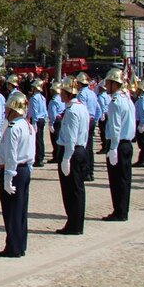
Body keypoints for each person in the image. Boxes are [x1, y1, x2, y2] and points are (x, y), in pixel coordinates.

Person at [0, 92, 34, 257]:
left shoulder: (13, 128)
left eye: (7, 109)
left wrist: (8, 178)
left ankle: (13, 246)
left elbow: (11, 156)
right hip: (24, 169)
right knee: (21, 211)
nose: (5, 112)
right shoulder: (27, 125)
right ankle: (20, 244)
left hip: (13, 171)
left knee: (12, 211)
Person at [55, 77, 89, 235]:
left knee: (71, 190)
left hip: (72, 151)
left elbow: (71, 136)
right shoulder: (81, 107)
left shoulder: (72, 110)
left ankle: (74, 223)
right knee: (77, 189)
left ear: (68, 93)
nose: (60, 94)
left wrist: (67, 158)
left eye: (62, 91)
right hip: (81, 149)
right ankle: (76, 222)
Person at [102, 69, 135, 222]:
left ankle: (119, 211)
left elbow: (115, 127)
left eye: (108, 83)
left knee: (117, 180)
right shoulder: (127, 99)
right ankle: (123, 210)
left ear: (115, 84)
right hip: (127, 143)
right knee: (124, 179)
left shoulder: (115, 102)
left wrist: (113, 147)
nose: (106, 86)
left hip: (118, 144)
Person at [75, 73, 99, 182]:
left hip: (86, 121)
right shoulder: (92, 93)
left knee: (83, 146)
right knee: (90, 147)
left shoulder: (81, 94)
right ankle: (90, 171)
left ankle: (85, 172)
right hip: (92, 120)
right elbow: (98, 108)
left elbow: (82, 109)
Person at [27, 79, 47, 167]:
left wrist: (34, 122)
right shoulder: (42, 97)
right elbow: (45, 110)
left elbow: (34, 110)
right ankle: (41, 156)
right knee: (40, 139)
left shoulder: (34, 98)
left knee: (37, 140)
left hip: (37, 119)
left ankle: (38, 159)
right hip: (42, 119)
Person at [46, 81, 65, 163]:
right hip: (61, 119)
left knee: (55, 139)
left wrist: (51, 123)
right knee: (59, 138)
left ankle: (56, 156)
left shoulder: (53, 100)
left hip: (56, 120)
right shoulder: (61, 98)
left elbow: (53, 114)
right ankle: (57, 155)